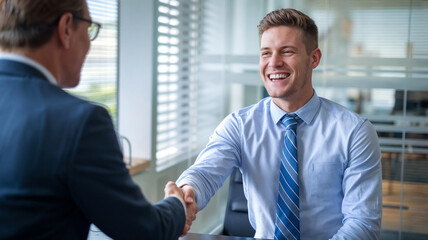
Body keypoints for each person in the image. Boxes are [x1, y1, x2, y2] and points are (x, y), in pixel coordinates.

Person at [177, 8, 382, 240]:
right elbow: (204, 173)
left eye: (287, 51)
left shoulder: (355, 132)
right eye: (266, 53)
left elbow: (363, 223)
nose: (274, 63)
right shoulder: (239, 125)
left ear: (314, 58)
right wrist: (185, 196)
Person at [0, 0, 197, 239]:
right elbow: (144, 230)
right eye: (89, 28)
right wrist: (177, 203)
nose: (89, 45)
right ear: (66, 28)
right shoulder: (80, 122)